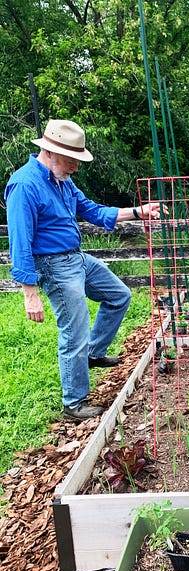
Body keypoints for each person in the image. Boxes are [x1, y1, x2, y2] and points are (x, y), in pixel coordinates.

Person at [5, 119, 164, 420]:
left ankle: (93, 353)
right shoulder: (25, 185)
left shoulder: (62, 181)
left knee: (119, 295)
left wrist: (136, 212)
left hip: (76, 257)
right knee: (74, 332)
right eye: (71, 161)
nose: (75, 167)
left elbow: (91, 209)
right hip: (53, 266)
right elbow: (19, 241)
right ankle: (74, 403)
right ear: (50, 152)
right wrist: (29, 293)